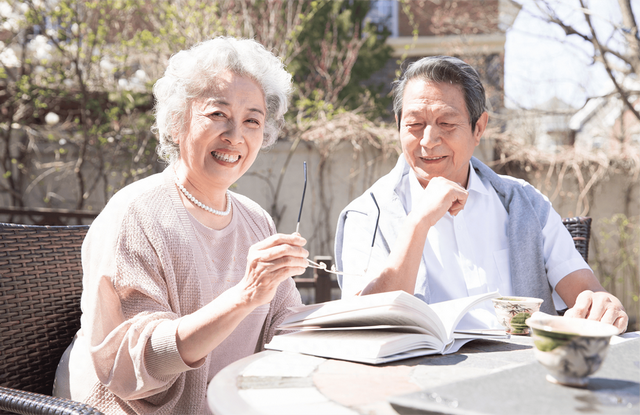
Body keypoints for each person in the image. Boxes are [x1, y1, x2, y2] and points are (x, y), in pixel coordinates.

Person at [53, 37, 308, 414]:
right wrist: (244, 295)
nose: (235, 135)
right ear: (176, 121)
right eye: (217, 114)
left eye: (252, 120)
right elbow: (139, 363)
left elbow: (286, 325)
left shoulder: (257, 219)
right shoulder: (136, 213)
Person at [335, 55, 628, 334]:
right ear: (398, 125)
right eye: (414, 125)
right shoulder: (367, 214)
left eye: (446, 124)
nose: (428, 140)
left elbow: (585, 292)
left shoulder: (524, 204)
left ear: (479, 128)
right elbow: (364, 321)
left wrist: (601, 305)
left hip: (520, 372)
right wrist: (418, 223)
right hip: (421, 378)